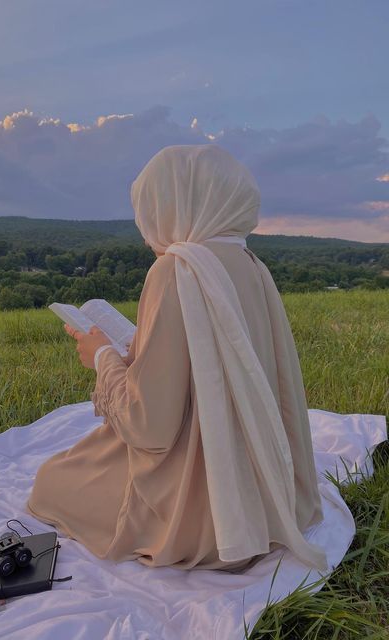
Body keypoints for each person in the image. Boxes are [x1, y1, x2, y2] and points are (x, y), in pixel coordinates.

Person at [27, 144, 328, 573]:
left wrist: (103, 357)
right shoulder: (251, 263)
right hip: (266, 490)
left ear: (172, 203)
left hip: (207, 512)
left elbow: (150, 426)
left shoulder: (175, 269)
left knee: (52, 481)